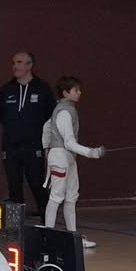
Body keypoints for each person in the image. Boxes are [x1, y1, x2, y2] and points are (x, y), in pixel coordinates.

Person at [41, 76, 103, 247]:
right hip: (61, 157)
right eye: (76, 90)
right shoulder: (64, 112)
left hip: (68, 157)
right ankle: (47, 236)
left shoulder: (65, 109)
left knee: (71, 196)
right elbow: (68, 142)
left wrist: (47, 148)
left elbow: (46, 127)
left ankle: (72, 237)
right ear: (65, 93)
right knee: (56, 196)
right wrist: (91, 153)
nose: (79, 93)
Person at [0, 50, 53, 214]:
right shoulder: (6, 89)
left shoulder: (42, 89)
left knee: (37, 185)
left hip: (33, 146)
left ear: (30, 65)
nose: (15, 66)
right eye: (13, 63)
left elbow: (50, 116)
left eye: (19, 62)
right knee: (14, 186)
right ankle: (15, 225)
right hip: (10, 147)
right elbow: (2, 115)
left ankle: (46, 222)